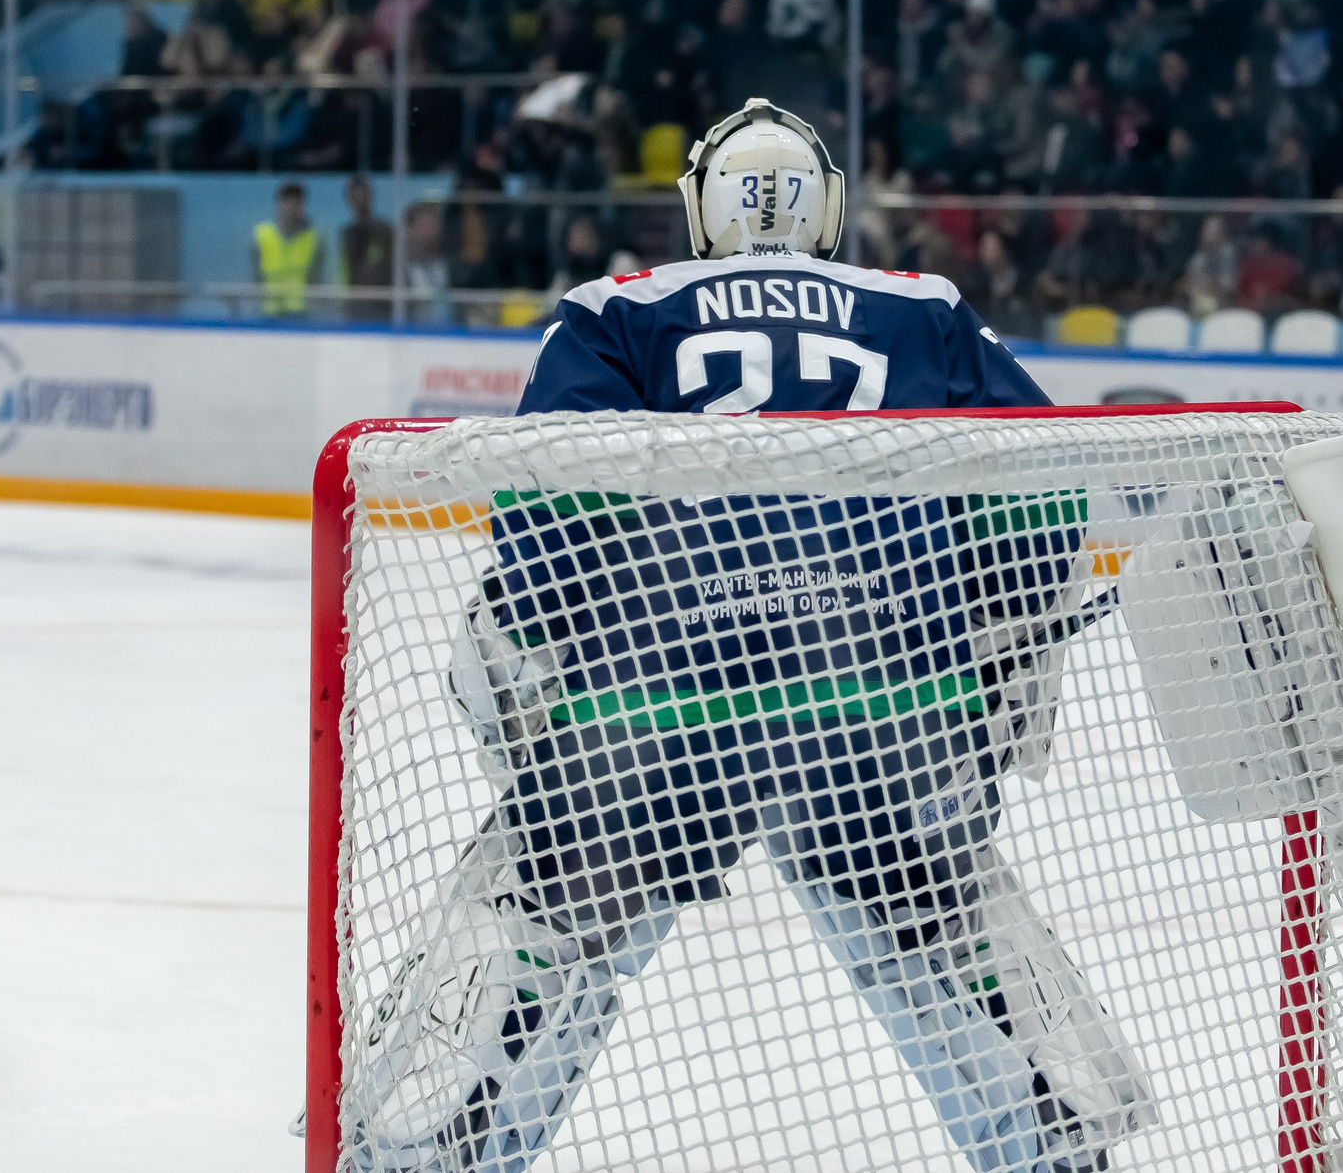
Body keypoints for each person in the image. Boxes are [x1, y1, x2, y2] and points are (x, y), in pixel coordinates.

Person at [345, 101, 1152, 1173]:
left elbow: (544, 520)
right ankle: (1052, 1151)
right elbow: (1046, 500)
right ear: (824, 207)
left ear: (700, 207)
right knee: (929, 929)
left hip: (656, 706)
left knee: (557, 922)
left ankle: (438, 1156)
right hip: (882, 698)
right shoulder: (923, 308)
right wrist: (984, 645)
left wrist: (545, 687)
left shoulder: (611, 310)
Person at [251, 181, 321, 319]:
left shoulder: (312, 238)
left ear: (302, 206)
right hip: (268, 314)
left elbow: (317, 280)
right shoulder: (262, 235)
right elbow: (256, 279)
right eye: (287, 202)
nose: (291, 208)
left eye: (296, 203)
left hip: (300, 314)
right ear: (278, 204)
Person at [339, 173, 395, 319]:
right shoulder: (347, 233)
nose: (360, 201)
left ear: (370, 197)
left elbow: (387, 269)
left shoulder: (384, 231)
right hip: (355, 306)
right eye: (355, 196)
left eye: (364, 195)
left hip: (381, 307)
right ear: (349, 199)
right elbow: (346, 272)